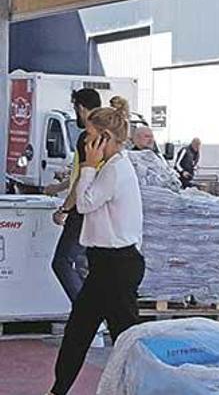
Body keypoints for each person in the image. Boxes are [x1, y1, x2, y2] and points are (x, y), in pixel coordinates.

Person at [49, 97, 145, 395]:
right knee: (83, 330)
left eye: (90, 137)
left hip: (117, 265)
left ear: (105, 138)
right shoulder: (113, 166)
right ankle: (58, 389)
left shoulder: (114, 169)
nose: (86, 143)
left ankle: (144, 386)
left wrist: (88, 168)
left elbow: (87, 202)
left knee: (124, 338)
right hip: (107, 264)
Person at [46, 89, 101, 303]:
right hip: (95, 207)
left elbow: (83, 178)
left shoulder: (88, 137)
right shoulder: (104, 136)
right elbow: (80, 173)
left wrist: (65, 209)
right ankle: (92, 317)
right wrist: (58, 188)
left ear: (80, 107)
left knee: (62, 262)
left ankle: (86, 314)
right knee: (83, 265)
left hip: (82, 209)